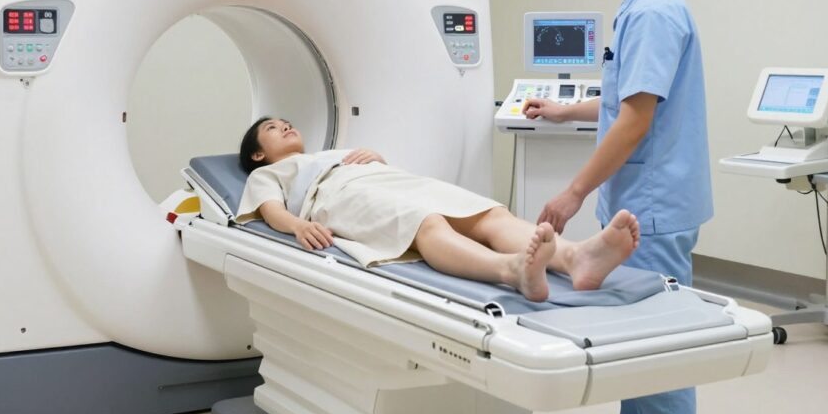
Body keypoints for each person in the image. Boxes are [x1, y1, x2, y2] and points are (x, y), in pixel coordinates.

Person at [523, 0, 712, 414]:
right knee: (642, 342)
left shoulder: (652, 13)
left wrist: (572, 193)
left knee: (659, 346)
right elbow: (623, 101)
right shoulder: (647, 5)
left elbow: (636, 121)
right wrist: (565, 112)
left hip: (651, 207)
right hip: (648, 201)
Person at [234, 116, 640, 302]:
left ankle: (575, 258)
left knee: (485, 213)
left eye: (287, 122)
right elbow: (270, 211)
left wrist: (375, 157)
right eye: (273, 128)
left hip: (390, 180)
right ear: (257, 153)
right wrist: (297, 227)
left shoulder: (331, 151)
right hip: (339, 200)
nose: (286, 126)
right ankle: (512, 270)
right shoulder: (273, 174)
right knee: (426, 224)